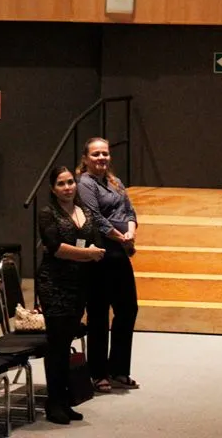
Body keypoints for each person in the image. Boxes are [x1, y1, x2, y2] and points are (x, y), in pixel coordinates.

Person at [37, 166, 104, 424]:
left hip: (79, 285)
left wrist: (92, 252)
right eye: (61, 184)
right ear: (53, 189)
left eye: (70, 183)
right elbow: (54, 248)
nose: (67, 188)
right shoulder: (47, 213)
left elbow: (94, 239)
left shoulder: (84, 211)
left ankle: (65, 400)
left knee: (66, 345)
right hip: (54, 284)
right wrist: (89, 255)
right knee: (57, 345)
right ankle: (53, 402)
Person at [76, 137, 140, 392]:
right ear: (86, 158)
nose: (101, 158)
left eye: (104, 153)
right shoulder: (84, 184)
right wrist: (119, 235)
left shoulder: (115, 182)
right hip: (99, 254)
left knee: (128, 309)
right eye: (96, 154)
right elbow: (93, 217)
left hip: (120, 252)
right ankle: (98, 372)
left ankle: (119, 370)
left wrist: (131, 232)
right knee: (99, 314)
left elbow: (130, 211)